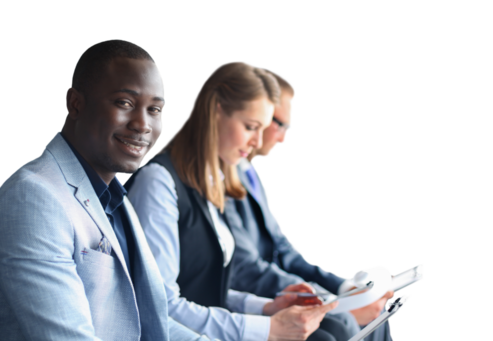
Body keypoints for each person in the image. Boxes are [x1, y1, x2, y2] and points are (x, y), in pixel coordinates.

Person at [0, 39, 208, 341]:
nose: (142, 124)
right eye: (125, 103)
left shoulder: (114, 195)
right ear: (75, 103)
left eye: (155, 109)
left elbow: (147, 321)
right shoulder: (34, 195)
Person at [124, 60, 347, 341]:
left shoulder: (210, 182)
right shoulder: (158, 183)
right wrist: (265, 328)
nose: (257, 141)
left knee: (332, 331)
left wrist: (267, 306)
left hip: (209, 325)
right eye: (251, 127)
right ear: (216, 111)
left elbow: (204, 289)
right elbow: (162, 307)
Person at [229, 69, 396, 341]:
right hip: (259, 295)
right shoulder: (217, 177)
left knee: (379, 316)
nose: (283, 138)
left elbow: (282, 247)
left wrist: (342, 288)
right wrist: (319, 297)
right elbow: (243, 266)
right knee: (340, 327)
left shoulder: (251, 174)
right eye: (278, 124)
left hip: (283, 288)